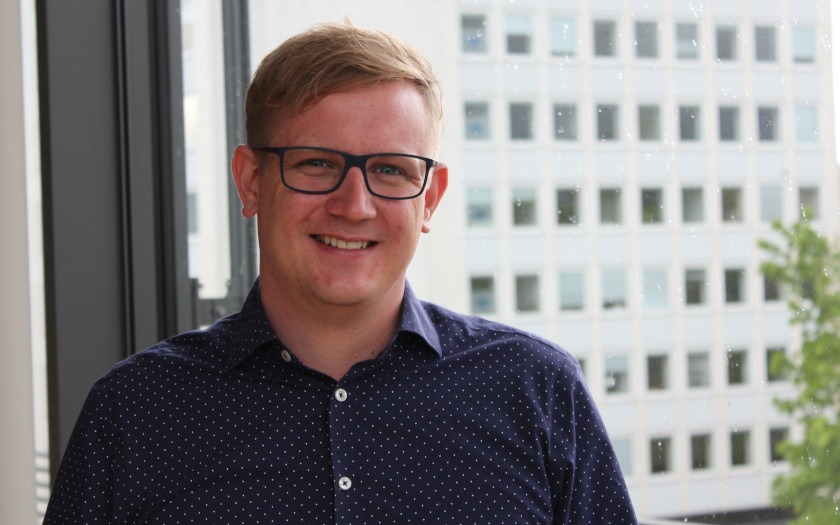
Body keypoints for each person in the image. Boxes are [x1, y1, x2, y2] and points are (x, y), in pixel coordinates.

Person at [44, 23, 637, 524]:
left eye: (391, 170)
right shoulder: (136, 411)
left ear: (429, 199)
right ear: (251, 181)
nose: (354, 204)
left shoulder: (535, 391)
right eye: (317, 164)